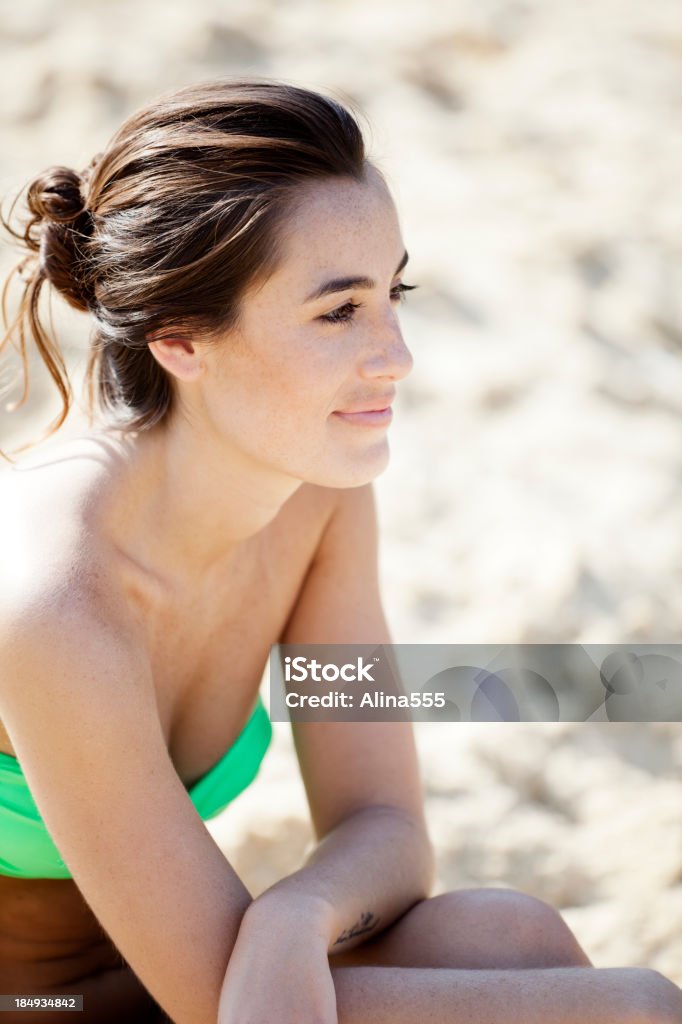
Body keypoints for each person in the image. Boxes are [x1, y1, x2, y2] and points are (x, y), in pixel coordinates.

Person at [0, 77, 679, 1024]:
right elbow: (214, 1006)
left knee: (507, 931)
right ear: (180, 339)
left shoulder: (314, 491)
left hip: (194, 966)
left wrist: (299, 910)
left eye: (392, 291)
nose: (396, 353)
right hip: (37, 1003)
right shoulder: (54, 598)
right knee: (636, 1007)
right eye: (338, 312)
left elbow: (384, 824)